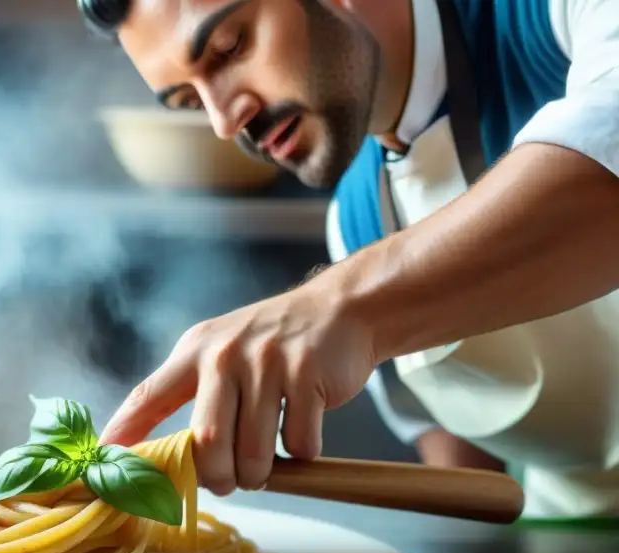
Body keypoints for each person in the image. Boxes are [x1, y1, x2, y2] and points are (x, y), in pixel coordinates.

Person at [80, 0, 619, 518]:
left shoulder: (553, 15)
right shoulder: (359, 224)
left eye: (231, 46)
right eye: (193, 103)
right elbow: (465, 482)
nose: (224, 121)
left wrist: (342, 305)